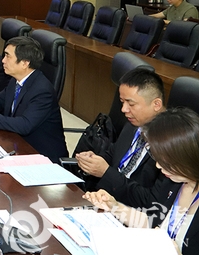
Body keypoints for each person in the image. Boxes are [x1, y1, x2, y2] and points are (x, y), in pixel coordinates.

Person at [84, 107, 199, 255]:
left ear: (186, 156)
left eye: (165, 161)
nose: (158, 166)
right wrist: (115, 206)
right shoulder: (174, 182)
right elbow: (152, 222)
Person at [0, 36, 68, 162]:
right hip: (17, 145)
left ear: (25, 63)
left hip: (42, 156)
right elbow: (0, 99)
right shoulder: (16, 80)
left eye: (8, 56)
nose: (3, 60)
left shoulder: (42, 90)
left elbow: (24, 125)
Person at [75, 69, 165, 194]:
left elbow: (150, 199)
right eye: (122, 102)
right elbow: (114, 153)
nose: (123, 109)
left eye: (131, 104)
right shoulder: (132, 124)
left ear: (156, 104)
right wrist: (94, 160)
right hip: (104, 194)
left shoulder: (169, 144)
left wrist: (106, 173)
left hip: (128, 204)